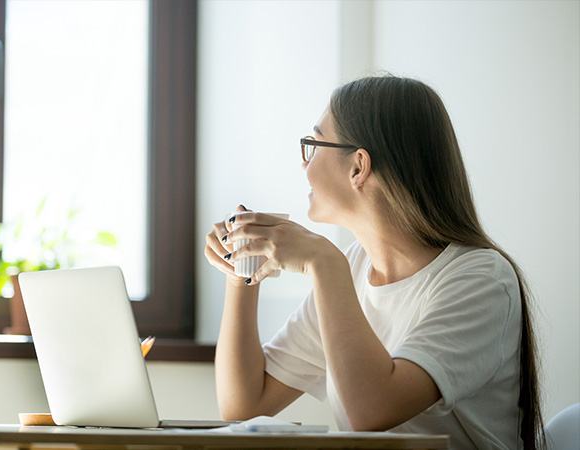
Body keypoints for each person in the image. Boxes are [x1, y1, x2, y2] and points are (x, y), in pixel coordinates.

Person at [204, 76, 545, 449]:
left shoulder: (481, 279)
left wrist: (322, 261)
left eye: (314, 145)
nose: (304, 165)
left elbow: (371, 412)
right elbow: (244, 405)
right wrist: (242, 274)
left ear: (358, 167)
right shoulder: (350, 267)